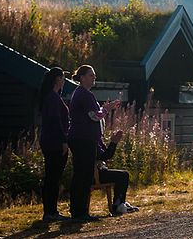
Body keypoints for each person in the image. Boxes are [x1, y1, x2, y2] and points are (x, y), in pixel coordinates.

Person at [68, 65, 120, 221]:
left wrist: (104, 109)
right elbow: (94, 116)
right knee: (83, 176)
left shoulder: (82, 94)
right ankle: (80, 213)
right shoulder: (85, 95)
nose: (94, 78)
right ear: (82, 77)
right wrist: (106, 109)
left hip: (81, 138)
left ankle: (78, 211)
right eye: (91, 75)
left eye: (94, 76)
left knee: (81, 175)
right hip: (83, 139)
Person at [39, 67, 70, 222]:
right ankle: (50, 212)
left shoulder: (52, 97)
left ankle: (50, 211)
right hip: (54, 142)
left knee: (51, 176)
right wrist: (64, 141)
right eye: (63, 78)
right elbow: (56, 121)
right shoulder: (53, 98)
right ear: (57, 79)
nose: (64, 81)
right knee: (53, 177)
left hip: (49, 140)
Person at [95, 129, 139, 215]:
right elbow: (104, 156)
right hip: (94, 174)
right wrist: (113, 143)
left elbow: (106, 154)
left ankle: (120, 203)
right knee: (123, 175)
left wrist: (113, 142)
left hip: (98, 170)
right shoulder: (92, 140)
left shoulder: (97, 139)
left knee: (123, 174)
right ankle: (118, 204)